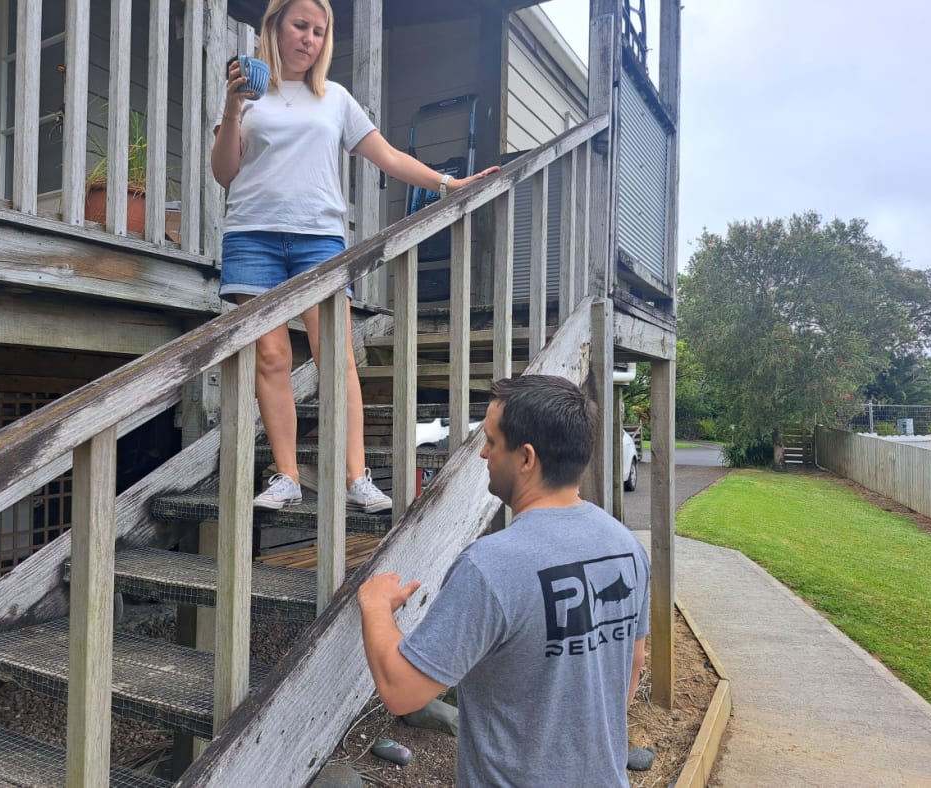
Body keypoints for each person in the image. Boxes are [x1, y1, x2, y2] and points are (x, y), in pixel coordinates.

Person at [211, 0, 498, 513]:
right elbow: (224, 172)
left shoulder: (335, 99)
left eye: (319, 32)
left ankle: (356, 476)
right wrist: (233, 108)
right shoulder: (247, 98)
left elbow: (387, 155)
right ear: (274, 26)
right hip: (251, 237)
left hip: (318, 241)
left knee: (336, 359)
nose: (309, 39)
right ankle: (286, 477)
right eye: (300, 26)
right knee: (271, 359)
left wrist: (448, 182)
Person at [359, 375, 650, 786]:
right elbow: (632, 666)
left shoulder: (491, 565)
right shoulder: (626, 547)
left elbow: (402, 691)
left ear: (526, 458)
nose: (482, 454)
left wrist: (374, 603)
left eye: (492, 442)